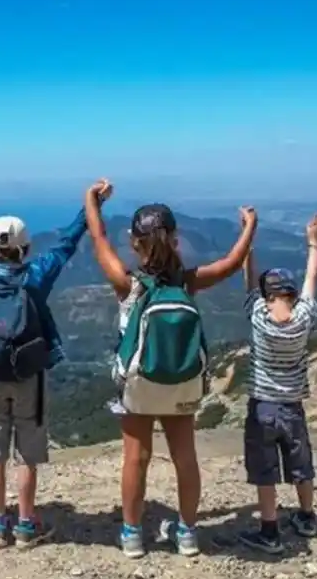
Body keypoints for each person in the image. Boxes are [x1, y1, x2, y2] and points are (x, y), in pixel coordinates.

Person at [84, 181, 257, 558]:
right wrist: (248, 228)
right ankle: (189, 532)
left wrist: (91, 202)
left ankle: (131, 535)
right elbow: (230, 264)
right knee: (185, 457)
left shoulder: (128, 284)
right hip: (182, 382)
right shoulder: (188, 282)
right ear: (176, 239)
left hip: (139, 385)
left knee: (136, 457)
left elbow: (98, 239)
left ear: (134, 242)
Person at [0, 188, 98, 549]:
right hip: (28, 377)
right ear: (26, 250)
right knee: (25, 455)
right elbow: (66, 245)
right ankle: (24, 525)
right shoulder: (35, 277)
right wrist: (90, 207)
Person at [237, 213, 317, 554]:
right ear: (291, 294)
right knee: (300, 464)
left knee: (265, 471)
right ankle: (306, 518)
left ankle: (270, 532)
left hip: (262, 406)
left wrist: (248, 239)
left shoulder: (258, 315)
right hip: (292, 407)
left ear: (266, 294)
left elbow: (248, 282)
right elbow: (312, 277)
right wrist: (314, 242)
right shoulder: (304, 317)